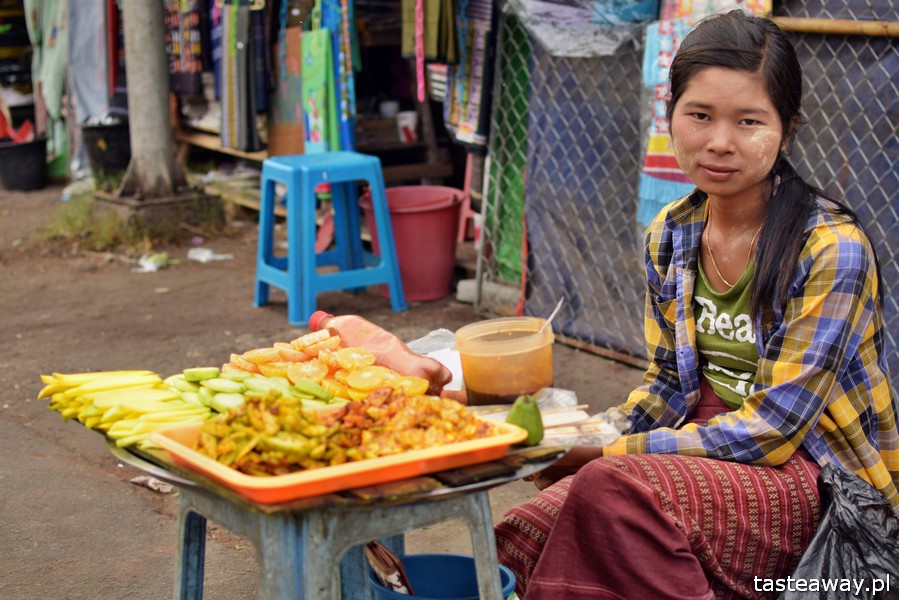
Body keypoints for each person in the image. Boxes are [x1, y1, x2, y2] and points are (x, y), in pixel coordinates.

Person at [494, 10, 898, 599]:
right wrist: (573, 436)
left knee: (613, 490)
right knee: (521, 530)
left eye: (749, 121)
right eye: (699, 115)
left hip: (816, 486)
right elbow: (665, 387)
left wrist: (607, 451)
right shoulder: (672, 233)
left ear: (787, 129)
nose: (719, 142)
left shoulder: (830, 246)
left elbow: (773, 432)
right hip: (701, 458)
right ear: (671, 116)